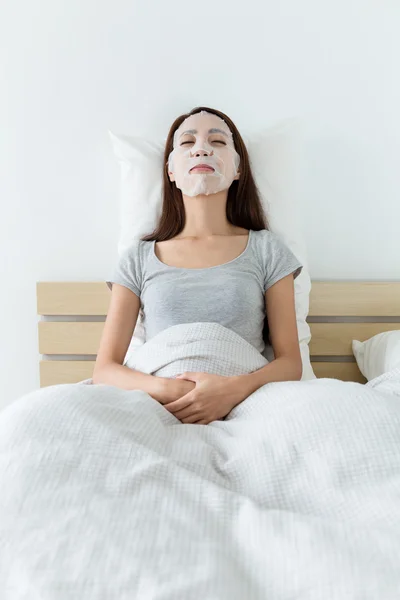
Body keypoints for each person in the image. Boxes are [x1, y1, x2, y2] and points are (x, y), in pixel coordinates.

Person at [93, 106, 303, 424]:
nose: (201, 148)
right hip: (157, 405)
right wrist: (170, 389)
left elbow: (290, 364)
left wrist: (230, 391)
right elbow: (105, 370)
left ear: (237, 169)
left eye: (217, 142)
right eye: (187, 142)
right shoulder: (138, 258)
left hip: (248, 407)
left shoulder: (267, 250)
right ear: (171, 170)